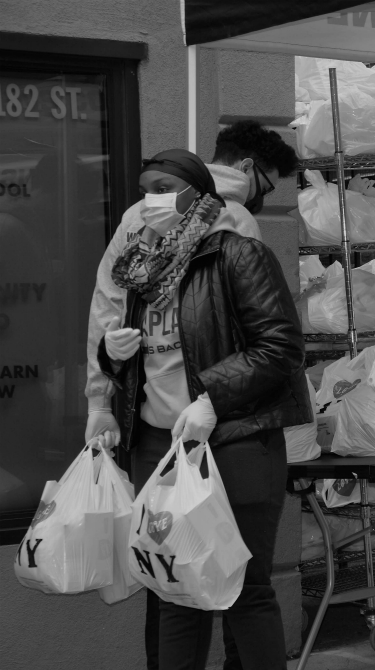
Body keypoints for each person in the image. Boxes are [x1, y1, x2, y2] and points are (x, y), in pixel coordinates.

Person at [93, 149, 310, 670]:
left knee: (243, 589)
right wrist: (111, 359)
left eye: (163, 187)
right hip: (157, 446)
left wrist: (212, 399)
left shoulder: (237, 255)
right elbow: (147, 357)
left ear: (197, 194)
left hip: (235, 442)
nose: (151, 200)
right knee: (174, 589)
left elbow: (280, 348)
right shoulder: (142, 269)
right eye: (144, 189)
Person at [84, 120, 297, 454]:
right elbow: (254, 330)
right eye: (266, 188)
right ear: (246, 168)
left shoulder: (134, 219)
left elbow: (106, 307)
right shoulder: (237, 219)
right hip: (223, 427)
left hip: (158, 421)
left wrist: (98, 400)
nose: (262, 197)